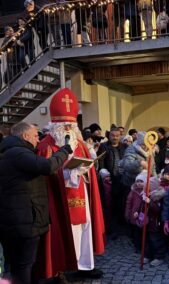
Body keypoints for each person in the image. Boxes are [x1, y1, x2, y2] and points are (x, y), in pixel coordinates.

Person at [35, 88, 105, 280]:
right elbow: (46, 174)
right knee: (66, 230)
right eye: (64, 126)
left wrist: (85, 171)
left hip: (81, 192)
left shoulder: (80, 144)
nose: (67, 130)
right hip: (60, 199)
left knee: (85, 229)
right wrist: (68, 174)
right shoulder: (46, 146)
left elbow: (88, 169)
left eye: (70, 126)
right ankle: (65, 267)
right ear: (54, 126)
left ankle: (85, 266)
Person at [0, 122, 71, 284]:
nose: (38, 140)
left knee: (15, 265)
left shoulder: (6, 152)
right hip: (24, 221)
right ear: (25, 136)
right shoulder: (18, 153)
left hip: (12, 219)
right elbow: (46, 166)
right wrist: (64, 151)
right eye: (35, 135)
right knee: (24, 265)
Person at [97, 127, 127, 235]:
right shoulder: (104, 146)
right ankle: (111, 228)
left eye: (117, 136)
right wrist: (103, 172)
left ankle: (121, 226)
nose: (115, 138)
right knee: (110, 204)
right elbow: (100, 161)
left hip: (122, 179)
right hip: (109, 179)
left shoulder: (124, 146)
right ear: (109, 136)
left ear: (120, 136)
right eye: (113, 135)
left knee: (122, 203)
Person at [142, 177, 167, 267]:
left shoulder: (158, 197)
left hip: (156, 223)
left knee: (156, 241)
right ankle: (148, 255)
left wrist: (150, 203)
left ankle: (159, 257)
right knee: (148, 240)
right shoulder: (145, 195)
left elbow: (158, 210)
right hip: (148, 222)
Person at [125, 171, 147, 253]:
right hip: (134, 215)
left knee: (143, 232)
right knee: (136, 232)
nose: (139, 183)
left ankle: (143, 246)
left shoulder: (146, 192)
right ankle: (137, 246)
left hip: (143, 215)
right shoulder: (133, 191)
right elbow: (128, 202)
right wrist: (127, 213)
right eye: (137, 181)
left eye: (141, 181)